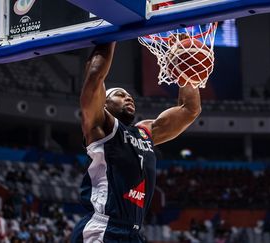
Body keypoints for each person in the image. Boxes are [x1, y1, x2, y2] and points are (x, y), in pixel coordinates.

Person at [71, 42, 202, 242]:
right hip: (103, 227)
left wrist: (186, 70)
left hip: (133, 233)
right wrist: (111, 36)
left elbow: (189, 109)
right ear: (103, 103)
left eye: (130, 96)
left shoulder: (146, 132)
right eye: (120, 95)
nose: (128, 98)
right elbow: (94, 77)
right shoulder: (100, 127)